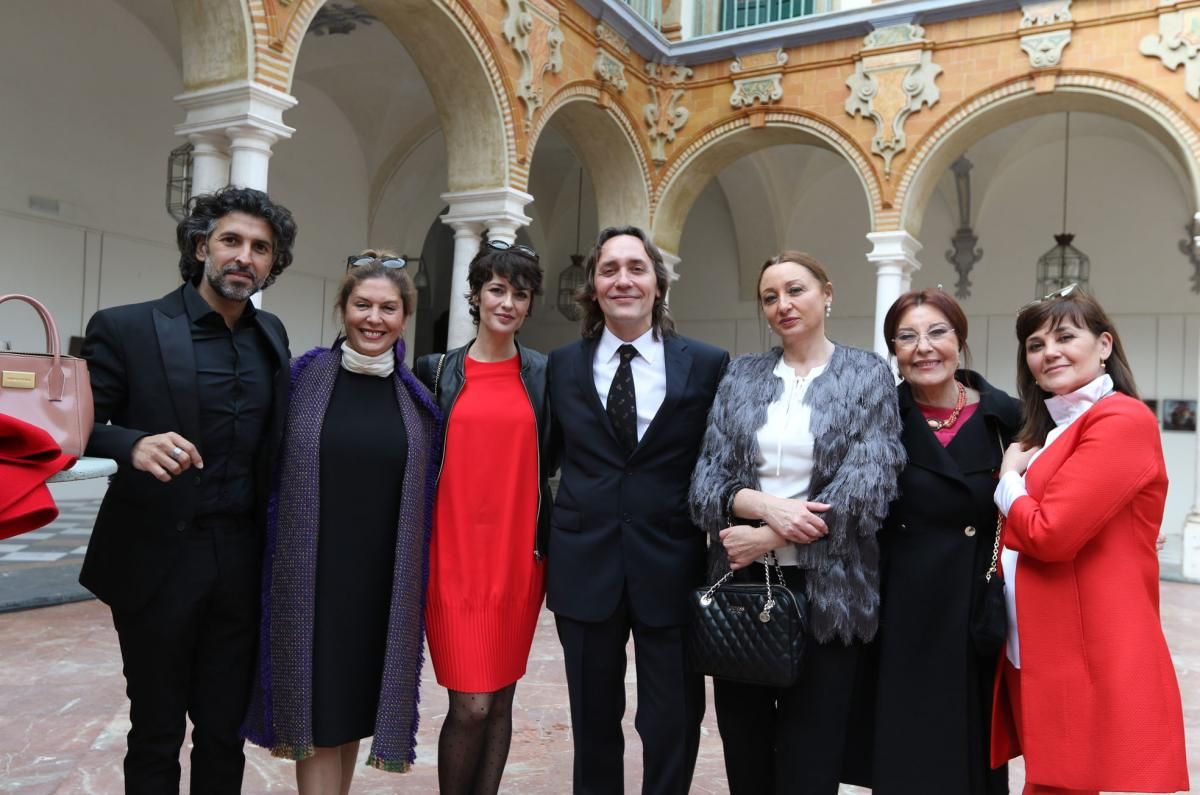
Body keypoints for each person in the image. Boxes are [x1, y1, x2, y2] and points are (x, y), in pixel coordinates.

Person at [79, 186, 297, 794]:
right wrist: (131, 445)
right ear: (202, 246)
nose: (244, 257)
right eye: (231, 241)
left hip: (240, 560)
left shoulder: (272, 336)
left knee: (224, 731)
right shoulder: (127, 327)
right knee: (155, 728)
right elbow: (76, 426)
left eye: (260, 248)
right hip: (156, 560)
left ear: (270, 264)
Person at [689, 251, 904, 795]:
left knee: (812, 759)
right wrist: (764, 507)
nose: (783, 305)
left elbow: (869, 484)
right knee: (746, 752)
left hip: (830, 594)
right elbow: (704, 484)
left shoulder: (867, 374)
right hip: (741, 590)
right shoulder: (741, 376)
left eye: (796, 290)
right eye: (770, 296)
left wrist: (771, 534)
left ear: (827, 293)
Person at [242, 252, 441, 793]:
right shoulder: (302, 379)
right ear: (342, 308)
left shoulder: (417, 401)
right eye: (362, 305)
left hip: (382, 586)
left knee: (351, 712)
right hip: (313, 578)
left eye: (387, 308)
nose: (373, 318)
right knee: (321, 713)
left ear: (404, 318)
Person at [546, 225, 728, 795]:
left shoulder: (705, 364)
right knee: (593, 721)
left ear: (657, 283)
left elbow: (721, 461)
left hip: (671, 564)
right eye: (609, 270)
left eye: (636, 268)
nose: (623, 279)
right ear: (593, 288)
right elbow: (540, 458)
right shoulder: (560, 367)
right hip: (584, 563)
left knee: (672, 720)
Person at [993, 285, 1189, 795]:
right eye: (1035, 345)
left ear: (1104, 345)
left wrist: (1008, 480)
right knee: (1056, 779)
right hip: (1038, 638)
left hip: (1083, 640)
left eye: (1064, 336)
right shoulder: (1054, 429)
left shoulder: (1120, 419)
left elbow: (1050, 534)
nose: (1048, 351)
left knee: (1067, 780)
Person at [864, 288, 1017, 794]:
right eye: (906, 337)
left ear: (960, 340)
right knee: (907, 746)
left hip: (976, 607)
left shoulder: (1007, 418)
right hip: (899, 607)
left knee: (971, 750)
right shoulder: (876, 417)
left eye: (937, 333)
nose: (923, 348)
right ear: (894, 350)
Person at [413, 241, 551, 795]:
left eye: (520, 293)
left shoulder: (543, 375)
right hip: (452, 561)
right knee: (470, 705)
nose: (508, 302)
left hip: (519, 561)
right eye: (497, 289)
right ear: (475, 295)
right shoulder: (436, 371)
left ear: (530, 305)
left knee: (500, 699)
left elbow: (557, 461)